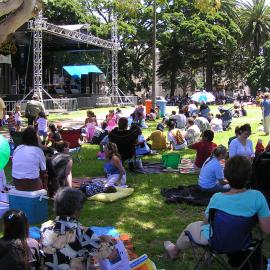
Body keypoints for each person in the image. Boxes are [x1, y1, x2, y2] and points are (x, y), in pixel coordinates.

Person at [164, 156, 270, 260]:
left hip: (216, 243)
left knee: (192, 227)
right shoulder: (258, 197)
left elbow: (206, 222)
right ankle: (207, 255)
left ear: (226, 176)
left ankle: (174, 250)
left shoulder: (217, 198)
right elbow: (266, 229)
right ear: (249, 176)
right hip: (243, 243)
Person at [41, 188, 117, 269]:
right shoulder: (81, 232)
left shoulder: (45, 227)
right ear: (77, 210)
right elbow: (112, 255)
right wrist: (108, 240)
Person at [12, 126, 47, 191]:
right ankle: (45, 192)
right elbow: (44, 170)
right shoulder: (38, 150)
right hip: (32, 182)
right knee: (45, 175)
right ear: (35, 138)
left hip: (16, 182)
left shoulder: (17, 148)